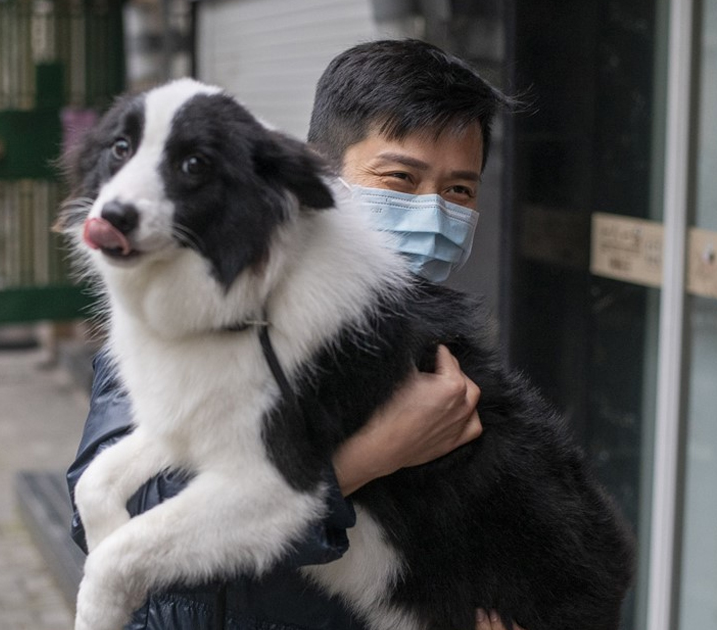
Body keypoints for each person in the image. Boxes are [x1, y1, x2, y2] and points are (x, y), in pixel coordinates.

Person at [67, 39, 518, 630]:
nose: (432, 212)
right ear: (321, 172)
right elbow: (128, 510)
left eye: (459, 190)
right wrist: (366, 459)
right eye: (400, 178)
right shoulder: (202, 307)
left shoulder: (436, 345)